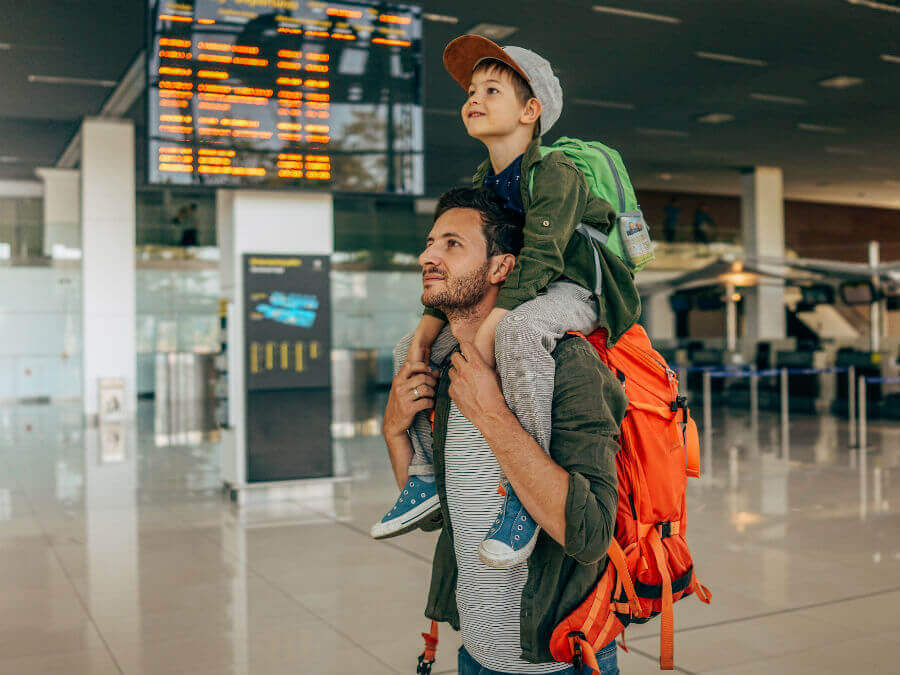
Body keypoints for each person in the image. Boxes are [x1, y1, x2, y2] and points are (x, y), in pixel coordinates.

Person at [371, 35, 641, 569]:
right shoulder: (486, 181)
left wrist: (490, 327)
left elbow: (538, 258)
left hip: (578, 288)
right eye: (471, 90)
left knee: (516, 333)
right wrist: (424, 336)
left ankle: (522, 491)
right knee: (409, 347)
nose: (474, 97)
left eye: (491, 89)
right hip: (529, 291)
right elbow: (479, 263)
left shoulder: (556, 173)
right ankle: (423, 478)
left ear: (530, 110)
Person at [382, 187, 626, 674]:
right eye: (430, 243)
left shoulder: (566, 363)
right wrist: (393, 432)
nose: (427, 257)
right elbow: (439, 518)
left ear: (501, 267)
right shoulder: (444, 366)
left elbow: (591, 534)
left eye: (452, 244)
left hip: (559, 662)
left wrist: (492, 415)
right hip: (474, 652)